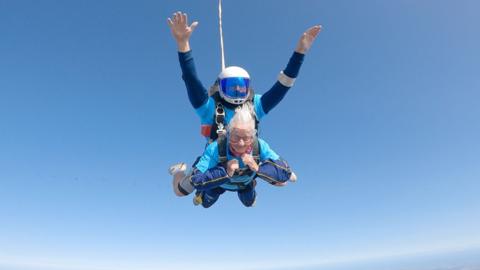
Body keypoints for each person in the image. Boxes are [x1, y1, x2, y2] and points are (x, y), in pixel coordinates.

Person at [167, 11, 321, 197]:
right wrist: (183, 44)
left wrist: (300, 52)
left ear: (249, 88)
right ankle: (179, 170)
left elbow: (283, 85)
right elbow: (191, 80)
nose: (238, 92)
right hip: (216, 163)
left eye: (242, 88)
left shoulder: (254, 105)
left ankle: (249, 184)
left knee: (283, 182)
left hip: (246, 161)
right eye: (232, 88)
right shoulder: (210, 108)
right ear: (221, 87)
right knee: (181, 191)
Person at [170, 103, 296, 208]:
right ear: (228, 133)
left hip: (244, 184)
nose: (241, 144)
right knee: (182, 193)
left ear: (253, 136)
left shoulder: (259, 146)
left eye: (246, 138)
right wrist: (225, 171)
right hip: (218, 183)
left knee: (253, 200)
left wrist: (258, 168)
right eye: (235, 137)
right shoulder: (215, 147)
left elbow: (288, 175)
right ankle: (179, 171)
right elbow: (196, 179)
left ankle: (252, 184)